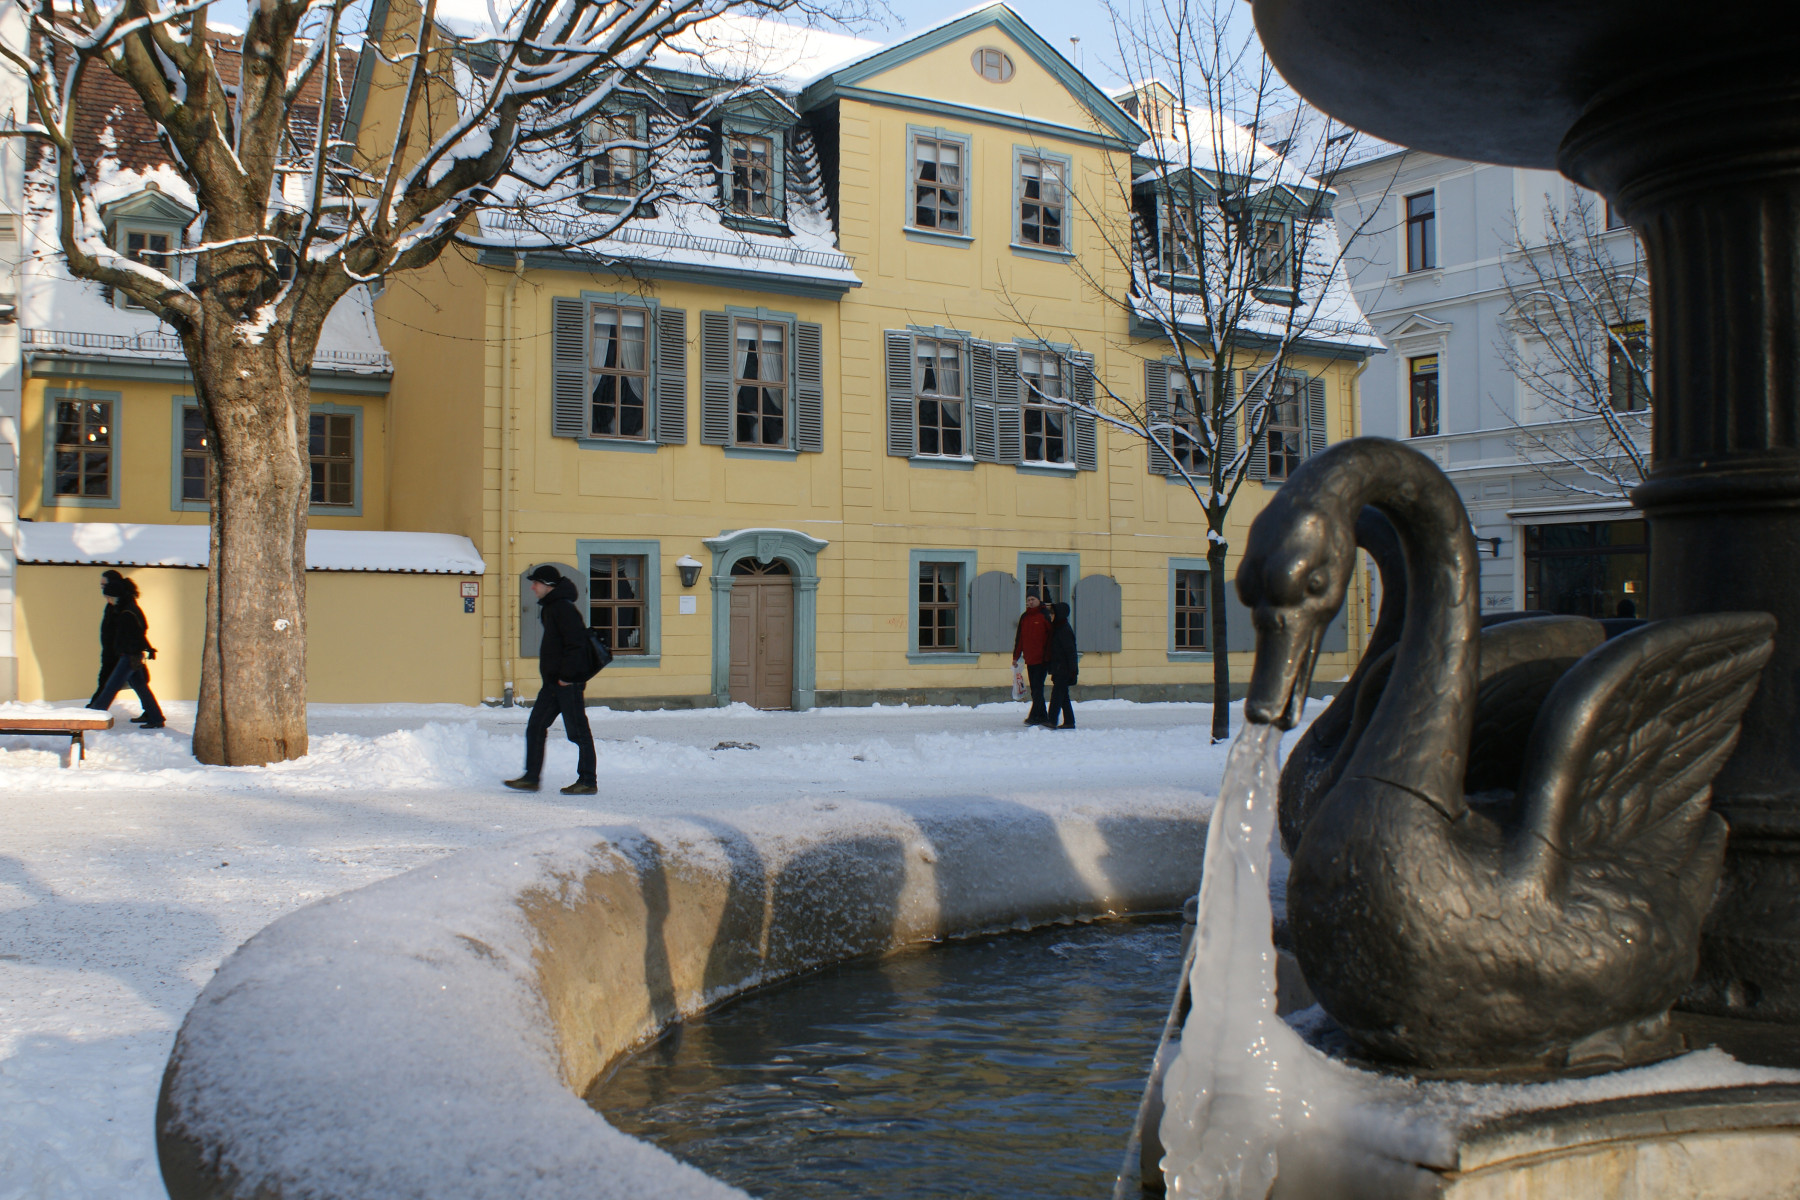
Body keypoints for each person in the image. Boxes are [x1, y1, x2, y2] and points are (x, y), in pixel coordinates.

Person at [506, 565, 598, 795]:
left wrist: (567, 678)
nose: (532, 587)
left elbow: (576, 645)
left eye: (536, 583)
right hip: (553, 684)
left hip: (567, 683)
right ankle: (531, 777)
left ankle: (588, 781)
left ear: (548, 585)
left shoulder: (563, 609)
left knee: (578, 733)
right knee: (536, 726)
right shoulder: (552, 607)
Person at [87, 569, 165, 729]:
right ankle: (156, 717)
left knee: (111, 686)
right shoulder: (124, 608)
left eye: (108, 596)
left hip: (128, 656)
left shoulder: (125, 612)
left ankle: (95, 715)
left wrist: (129, 651)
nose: (106, 599)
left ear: (115, 596)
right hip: (131, 655)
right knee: (140, 686)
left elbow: (135, 633)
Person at [1012, 593, 1054, 726]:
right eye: (1028, 600)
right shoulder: (1024, 617)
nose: (1030, 602)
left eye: (1032, 599)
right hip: (1030, 659)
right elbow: (1020, 639)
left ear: (1038, 600)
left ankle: (1035, 716)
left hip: (1042, 659)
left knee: (1037, 688)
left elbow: (1051, 637)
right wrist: (1016, 656)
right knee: (1035, 688)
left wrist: (1050, 655)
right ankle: (1041, 715)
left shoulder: (1044, 615)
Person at [1045, 600, 1079, 730]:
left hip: (1063, 669)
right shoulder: (1058, 628)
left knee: (1057, 695)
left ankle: (1052, 720)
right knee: (1063, 696)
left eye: (1053, 613)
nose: (1050, 616)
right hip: (1059, 668)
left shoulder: (1064, 630)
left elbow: (1070, 651)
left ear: (1059, 614)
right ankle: (1069, 721)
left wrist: (1073, 670)